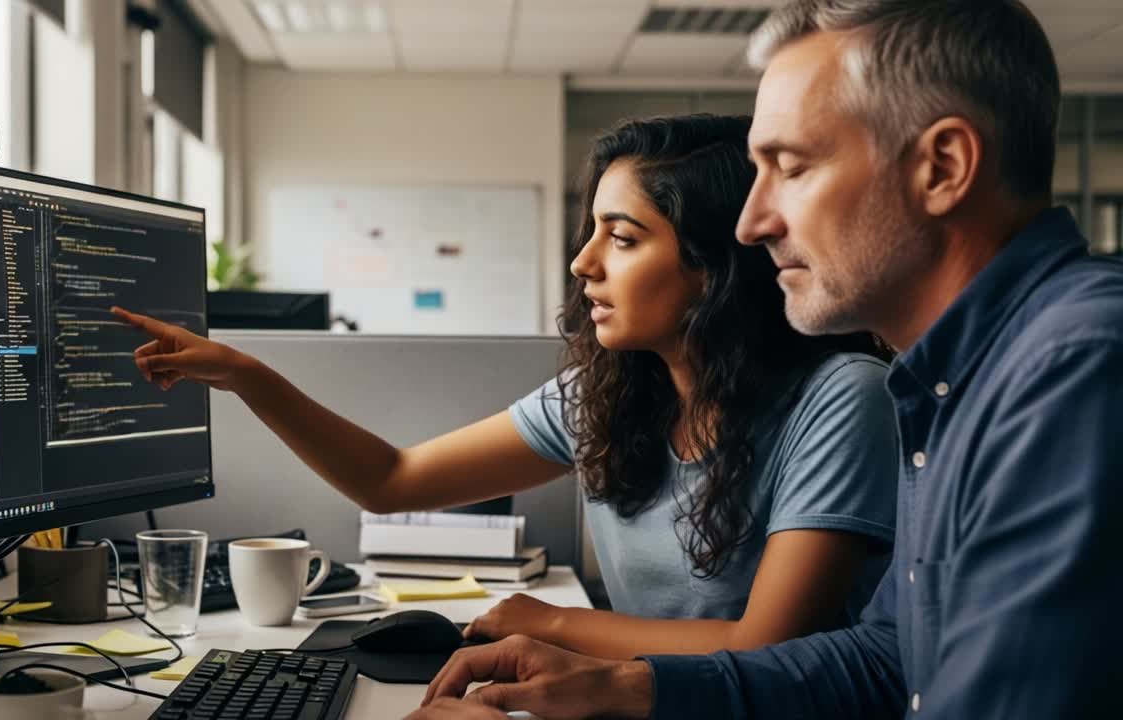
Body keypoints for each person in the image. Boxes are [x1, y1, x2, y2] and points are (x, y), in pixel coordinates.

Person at [410, 1, 1123, 718]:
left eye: (791, 166)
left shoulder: (1076, 369)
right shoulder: (952, 379)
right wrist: (618, 686)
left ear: (942, 167)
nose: (753, 223)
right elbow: (887, 659)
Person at [113, 114, 898, 662]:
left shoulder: (840, 399)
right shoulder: (614, 393)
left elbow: (768, 645)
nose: (583, 262)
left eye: (622, 238)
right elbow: (393, 481)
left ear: (715, 270)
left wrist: (551, 623)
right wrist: (249, 378)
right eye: (591, 231)